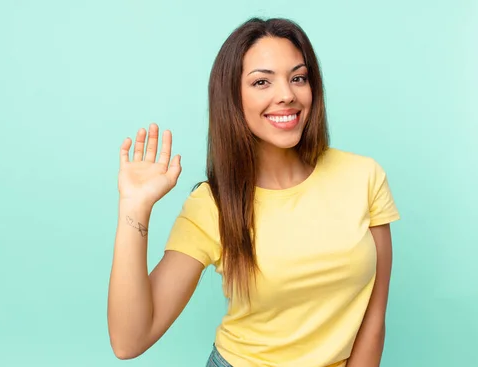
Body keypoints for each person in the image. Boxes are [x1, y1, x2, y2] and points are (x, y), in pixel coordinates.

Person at [107, 17, 400, 367]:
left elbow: (374, 317)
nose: (286, 95)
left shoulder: (363, 176)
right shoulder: (213, 205)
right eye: (262, 81)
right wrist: (134, 208)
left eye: (298, 78)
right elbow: (129, 340)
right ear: (233, 97)